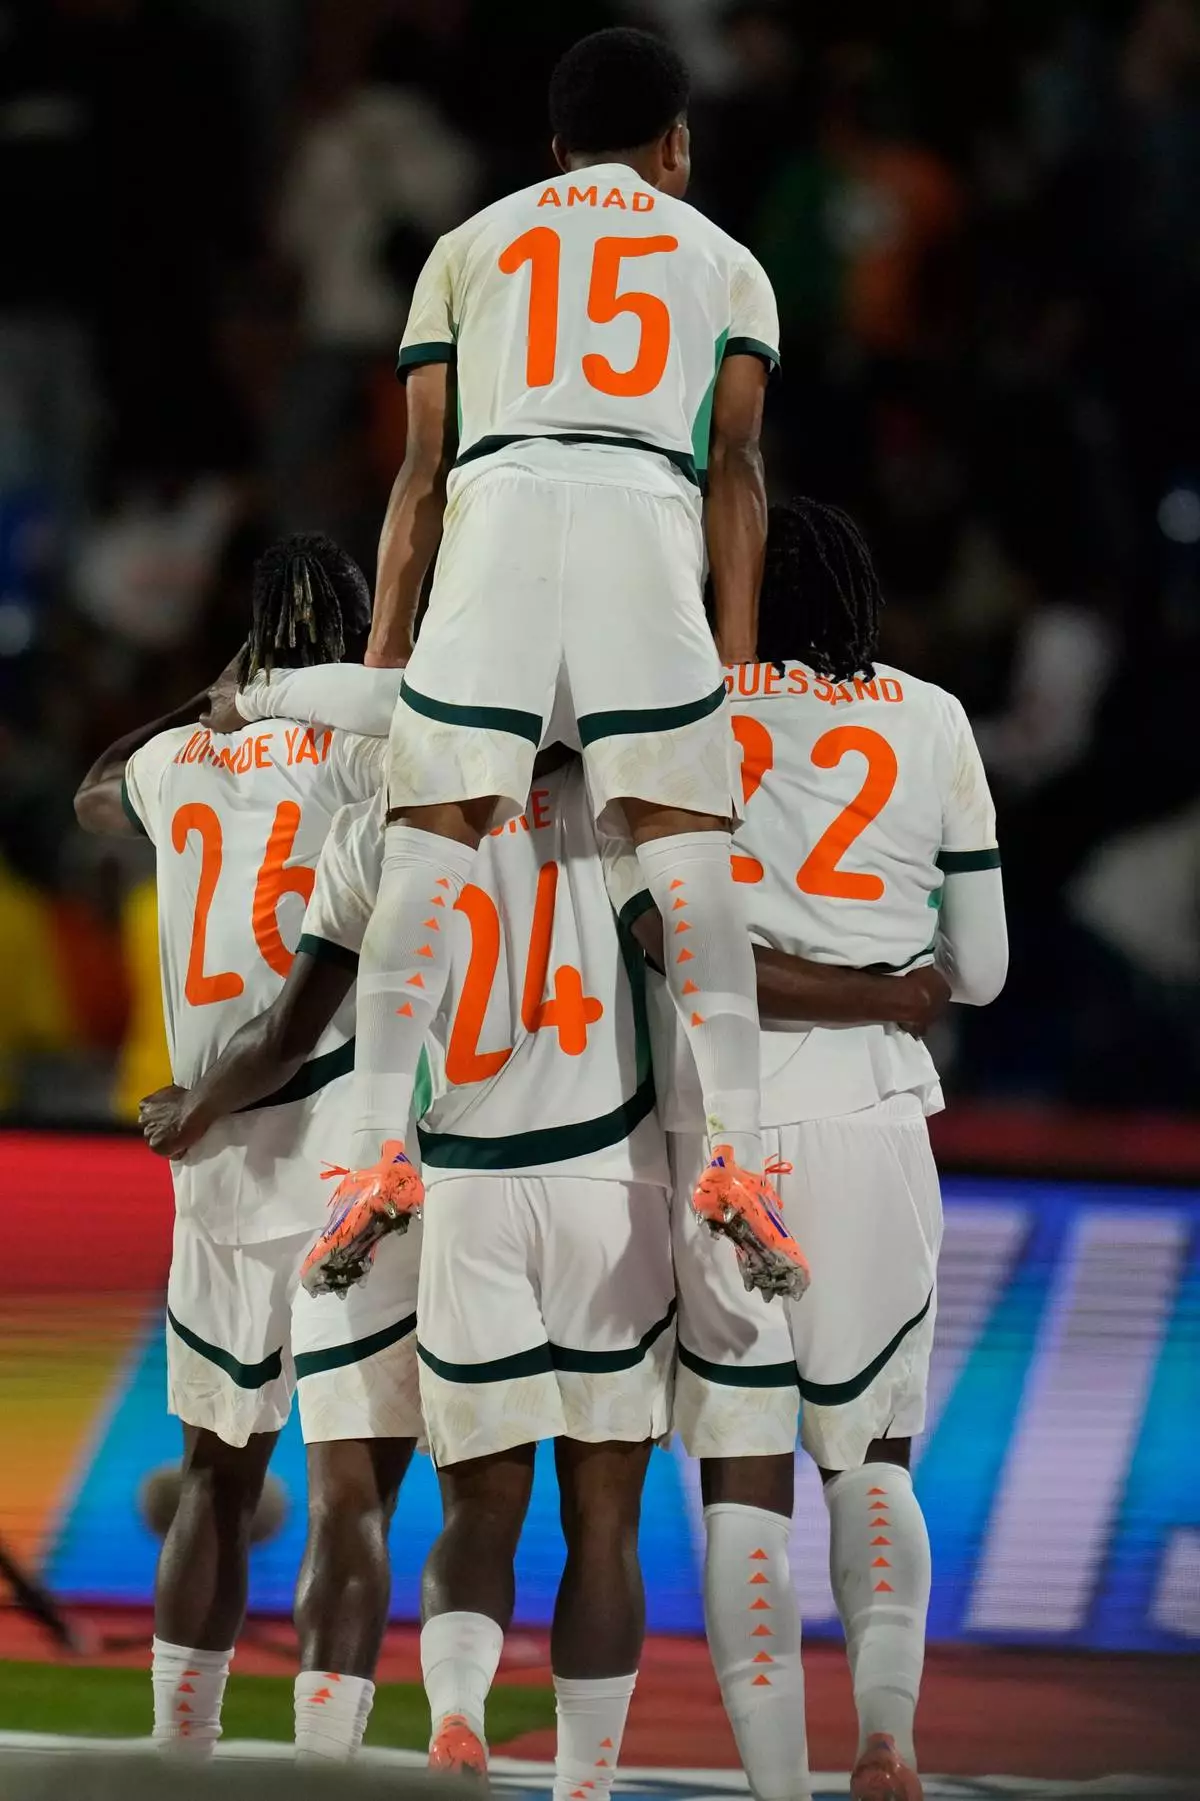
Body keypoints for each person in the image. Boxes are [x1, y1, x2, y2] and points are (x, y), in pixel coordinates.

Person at [312, 25, 805, 1301]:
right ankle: (741, 1157)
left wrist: (387, 653)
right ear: (677, 146)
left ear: (551, 148)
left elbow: (420, 473)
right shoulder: (728, 262)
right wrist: (737, 659)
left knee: (433, 835)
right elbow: (737, 469)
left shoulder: (466, 246)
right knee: (688, 842)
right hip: (644, 511)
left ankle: (371, 1154)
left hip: (503, 509)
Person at [141, 721, 674, 1794]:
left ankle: (398, 1730)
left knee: (404, 1501)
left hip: (415, 1179)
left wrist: (192, 1105)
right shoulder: (610, 805)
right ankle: (582, 1785)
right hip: (602, 1180)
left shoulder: (377, 801)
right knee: (594, 1517)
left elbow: (289, 1026)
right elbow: (689, 963)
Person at [650, 499, 1007, 1801]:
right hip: (877, 1120)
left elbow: (668, 939)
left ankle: (778, 1789)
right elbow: (985, 970)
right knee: (871, 1451)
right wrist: (886, 982)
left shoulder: (690, 713)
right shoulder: (932, 718)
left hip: (728, 1126)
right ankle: (891, 1738)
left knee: (743, 1472)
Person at [75, 535, 420, 1762]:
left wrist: (209, 696)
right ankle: (324, 1772)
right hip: (347, 1140)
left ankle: (181, 1757)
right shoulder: (370, 744)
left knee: (215, 1478)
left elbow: (93, 792)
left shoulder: (178, 760)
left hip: (219, 1169)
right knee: (351, 1496)